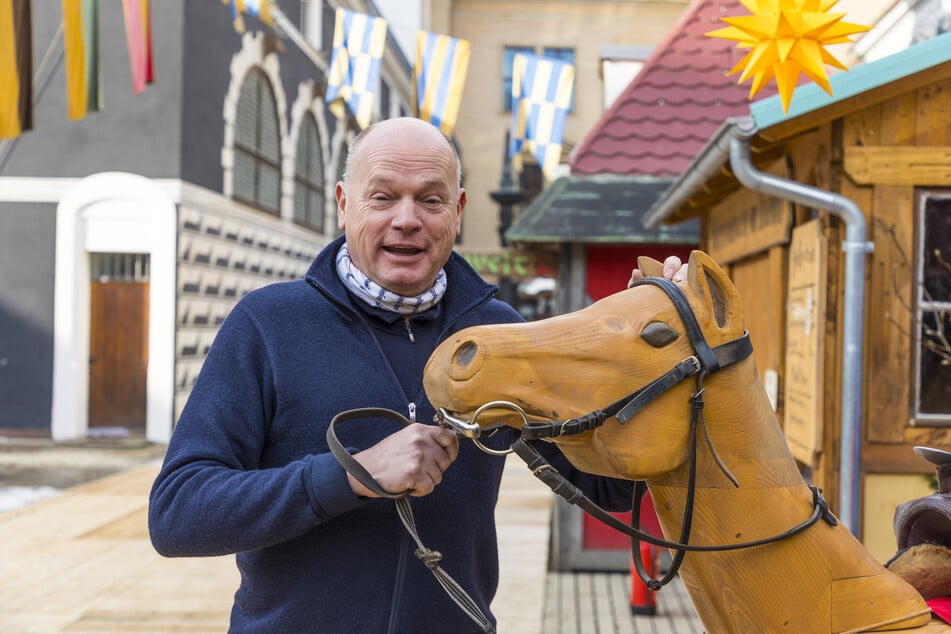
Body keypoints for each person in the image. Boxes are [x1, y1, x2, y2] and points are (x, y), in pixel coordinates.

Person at [148, 117, 686, 633]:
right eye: (382, 197)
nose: (407, 219)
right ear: (343, 204)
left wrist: (654, 358)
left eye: (430, 199)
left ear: (458, 211)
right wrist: (352, 475)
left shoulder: (498, 335)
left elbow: (604, 490)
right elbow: (178, 512)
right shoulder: (267, 324)